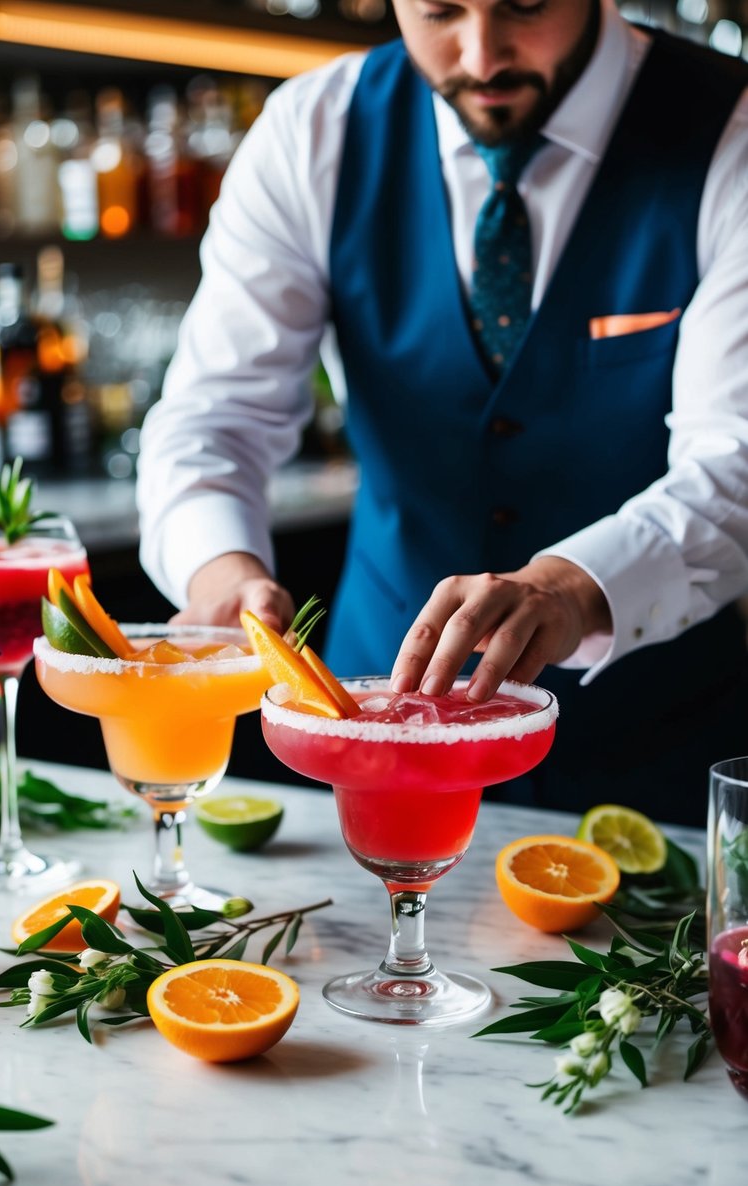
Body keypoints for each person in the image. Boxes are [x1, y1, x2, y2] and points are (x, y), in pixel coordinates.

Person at [137, 0, 748, 824]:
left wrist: (567, 592)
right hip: (371, 741)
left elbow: (734, 463)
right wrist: (221, 575)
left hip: (653, 758)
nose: (481, 56)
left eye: (524, 7)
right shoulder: (313, 129)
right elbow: (212, 419)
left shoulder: (729, 128)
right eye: (439, 12)